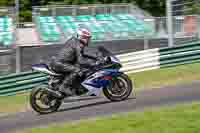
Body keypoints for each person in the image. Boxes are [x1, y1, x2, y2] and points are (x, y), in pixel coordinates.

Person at [49, 28, 100, 98]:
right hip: (59, 63)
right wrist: (93, 63)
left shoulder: (76, 42)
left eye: (88, 38)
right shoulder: (78, 45)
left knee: (80, 69)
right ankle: (64, 87)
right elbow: (81, 60)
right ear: (81, 37)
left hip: (61, 62)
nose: (88, 40)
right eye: (87, 38)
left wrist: (94, 58)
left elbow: (82, 55)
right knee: (77, 70)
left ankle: (74, 87)